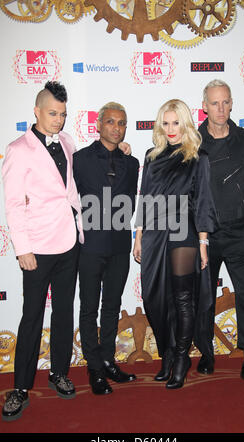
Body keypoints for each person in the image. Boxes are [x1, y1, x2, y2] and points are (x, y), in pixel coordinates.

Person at [1, 81, 84, 421]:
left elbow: (72, 192)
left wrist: (80, 230)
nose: (58, 121)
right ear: (36, 111)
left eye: (63, 115)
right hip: (36, 247)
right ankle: (20, 388)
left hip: (68, 243)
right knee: (32, 316)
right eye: (52, 114)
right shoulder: (18, 149)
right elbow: (12, 205)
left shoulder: (67, 142)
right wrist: (23, 248)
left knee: (64, 312)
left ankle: (59, 372)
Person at [133, 99, 217, 389]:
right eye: (165, 123)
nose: (170, 129)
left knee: (182, 299)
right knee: (154, 298)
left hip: (184, 233)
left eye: (176, 123)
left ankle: (181, 358)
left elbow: (204, 201)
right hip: (155, 233)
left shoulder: (198, 157)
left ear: (186, 124)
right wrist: (139, 235)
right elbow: (144, 197)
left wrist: (203, 243)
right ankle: (167, 354)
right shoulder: (151, 156)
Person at [196, 79, 244, 390]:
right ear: (205, 107)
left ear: (231, 103)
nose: (221, 108)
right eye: (215, 103)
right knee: (204, 297)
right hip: (207, 234)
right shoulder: (193, 141)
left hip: (239, 232)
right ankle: (207, 352)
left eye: (225, 102)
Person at [73, 102, 139, 395]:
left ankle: (109, 360)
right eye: (110, 121)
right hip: (89, 247)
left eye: (121, 123)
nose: (116, 127)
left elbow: (132, 203)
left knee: (111, 306)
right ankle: (94, 368)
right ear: (98, 124)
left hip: (120, 246)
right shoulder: (79, 160)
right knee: (88, 309)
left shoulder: (133, 163)